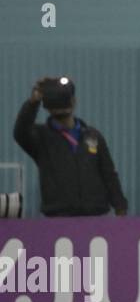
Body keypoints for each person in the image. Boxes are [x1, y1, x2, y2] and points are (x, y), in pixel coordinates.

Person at [13, 76, 127, 217]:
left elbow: (109, 174)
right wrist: (33, 102)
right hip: (59, 217)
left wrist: (120, 208)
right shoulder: (40, 137)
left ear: (74, 101)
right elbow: (20, 132)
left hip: (96, 216)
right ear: (46, 106)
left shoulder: (93, 135)